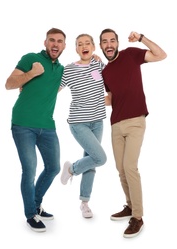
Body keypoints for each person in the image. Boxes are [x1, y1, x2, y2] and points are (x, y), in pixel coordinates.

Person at [99, 29, 167, 238]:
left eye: (112, 40)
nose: (108, 44)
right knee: (120, 169)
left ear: (117, 43)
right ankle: (129, 205)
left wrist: (141, 38)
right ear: (101, 46)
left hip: (136, 121)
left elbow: (161, 55)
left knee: (130, 167)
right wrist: (87, 98)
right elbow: (109, 98)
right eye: (104, 42)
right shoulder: (104, 72)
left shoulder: (130, 54)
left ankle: (137, 217)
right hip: (115, 124)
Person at [5, 28, 66, 232]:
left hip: (47, 126)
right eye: (52, 40)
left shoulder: (61, 70)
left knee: (54, 168)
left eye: (59, 41)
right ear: (45, 42)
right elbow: (9, 84)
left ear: (64, 46)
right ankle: (30, 214)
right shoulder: (31, 58)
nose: (55, 44)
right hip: (23, 124)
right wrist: (31, 73)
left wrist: (93, 57)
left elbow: (82, 70)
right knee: (29, 170)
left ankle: (36, 203)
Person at [60, 34, 107, 218]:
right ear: (76, 49)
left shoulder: (98, 65)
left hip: (98, 122)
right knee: (100, 158)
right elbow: (53, 89)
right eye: (80, 44)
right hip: (78, 123)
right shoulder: (69, 70)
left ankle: (84, 203)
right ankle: (71, 169)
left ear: (94, 47)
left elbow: (112, 80)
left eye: (87, 43)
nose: (84, 46)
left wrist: (101, 60)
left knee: (93, 161)